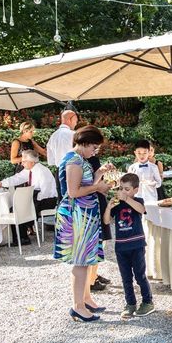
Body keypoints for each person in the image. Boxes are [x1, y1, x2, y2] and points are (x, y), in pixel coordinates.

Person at [53, 125, 112, 322]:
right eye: (94, 148)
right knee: (80, 262)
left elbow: (86, 185)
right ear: (84, 143)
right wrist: (98, 186)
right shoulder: (73, 160)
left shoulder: (81, 159)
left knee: (86, 261)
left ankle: (85, 299)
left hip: (85, 214)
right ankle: (77, 306)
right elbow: (73, 192)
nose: (95, 152)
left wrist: (99, 174)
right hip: (77, 216)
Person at [103, 173, 154, 318]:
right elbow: (106, 221)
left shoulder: (138, 200)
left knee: (140, 275)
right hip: (121, 247)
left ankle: (148, 302)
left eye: (127, 189)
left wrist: (127, 199)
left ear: (135, 190)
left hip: (136, 244)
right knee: (126, 278)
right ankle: (130, 303)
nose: (123, 191)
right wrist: (108, 207)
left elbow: (141, 209)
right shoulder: (117, 205)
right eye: (121, 188)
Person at [0, 149, 58, 246]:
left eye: (24, 161)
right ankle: (21, 237)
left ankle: (23, 237)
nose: (22, 163)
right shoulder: (29, 170)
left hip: (48, 199)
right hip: (37, 196)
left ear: (32, 162)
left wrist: (31, 202)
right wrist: (1, 183)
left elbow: (46, 191)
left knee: (22, 208)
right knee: (15, 208)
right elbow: (17, 178)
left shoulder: (42, 170)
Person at [86, 149, 112, 291]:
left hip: (96, 200)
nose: (96, 150)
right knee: (98, 242)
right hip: (95, 202)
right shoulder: (89, 160)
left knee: (100, 242)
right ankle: (91, 279)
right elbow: (97, 186)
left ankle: (93, 275)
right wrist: (106, 186)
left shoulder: (87, 160)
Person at [47, 110, 79, 199]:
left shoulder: (53, 136)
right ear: (70, 119)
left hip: (59, 171)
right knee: (74, 202)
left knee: (61, 202)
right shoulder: (74, 135)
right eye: (75, 121)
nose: (76, 124)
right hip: (73, 171)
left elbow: (51, 161)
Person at [128, 140, 162, 204]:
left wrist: (150, 183)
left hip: (151, 198)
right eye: (139, 153)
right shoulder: (132, 168)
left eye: (144, 153)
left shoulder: (154, 167)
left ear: (149, 152)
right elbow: (128, 184)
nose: (142, 156)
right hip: (136, 199)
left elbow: (159, 183)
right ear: (135, 153)